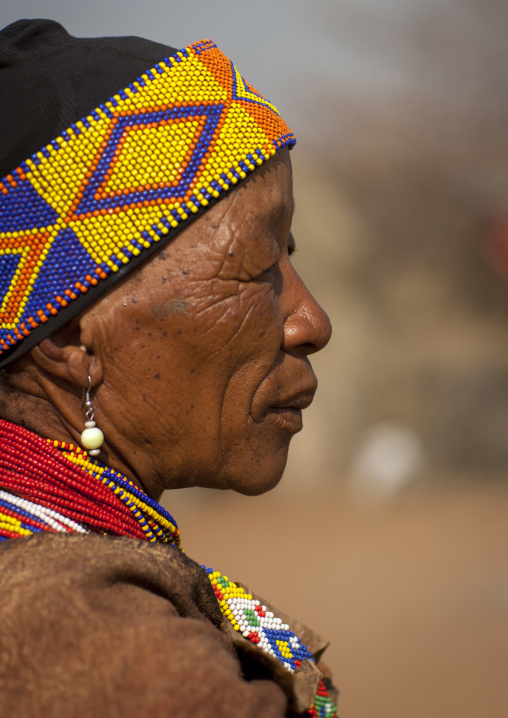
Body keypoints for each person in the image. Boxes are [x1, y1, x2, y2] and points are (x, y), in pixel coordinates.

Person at [0, 19, 336, 718]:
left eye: (291, 254)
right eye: (256, 271)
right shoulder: (85, 642)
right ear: (70, 340)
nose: (311, 323)